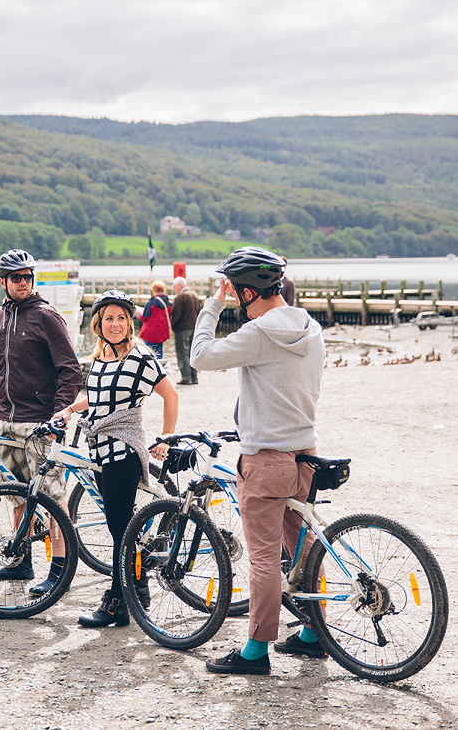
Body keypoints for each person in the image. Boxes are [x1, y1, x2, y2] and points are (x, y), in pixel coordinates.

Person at [190, 247, 326, 675]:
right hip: (306, 452)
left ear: (246, 291)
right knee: (302, 547)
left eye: (235, 290)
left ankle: (255, 651)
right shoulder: (311, 326)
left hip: (267, 458)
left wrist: (213, 304)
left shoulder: (261, 333)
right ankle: (312, 633)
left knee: (265, 557)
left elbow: (200, 357)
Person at [54, 290, 179, 628]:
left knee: (120, 530)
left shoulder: (139, 357)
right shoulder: (101, 357)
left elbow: (171, 395)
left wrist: (165, 438)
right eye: (109, 318)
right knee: (121, 526)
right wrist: (69, 409)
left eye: (121, 318)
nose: (115, 323)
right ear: (98, 323)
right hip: (100, 450)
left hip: (124, 448)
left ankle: (116, 603)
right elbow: (97, 399)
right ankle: (137, 588)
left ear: (129, 323)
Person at [0, 249, 82, 595]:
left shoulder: (46, 316)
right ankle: (21, 562)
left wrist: (58, 413)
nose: (23, 283)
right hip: (6, 422)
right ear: (2, 281)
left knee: (52, 498)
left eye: (27, 277)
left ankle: (60, 570)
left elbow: (71, 371)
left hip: (41, 423)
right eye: (16, 278)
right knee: (17, 495)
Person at [170, 276, 201, 385]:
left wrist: (172, 326)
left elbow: (175, 315)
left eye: (174, 286)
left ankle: (186, 378)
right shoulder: (194, 295)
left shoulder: (180, 297)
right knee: (192, 352)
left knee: (182, 352)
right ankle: (194, 377)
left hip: (182, 328)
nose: (173, 289)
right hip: (193, 327)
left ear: (179, 285)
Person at [137, 280, 171, 358]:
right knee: (159, 354)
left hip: (150, 332)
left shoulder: (151, 302)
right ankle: (159, 368)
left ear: (154, 290)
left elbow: (145, 317)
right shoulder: (168, 303)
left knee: (147, 353)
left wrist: (139, 313)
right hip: (161, 332)